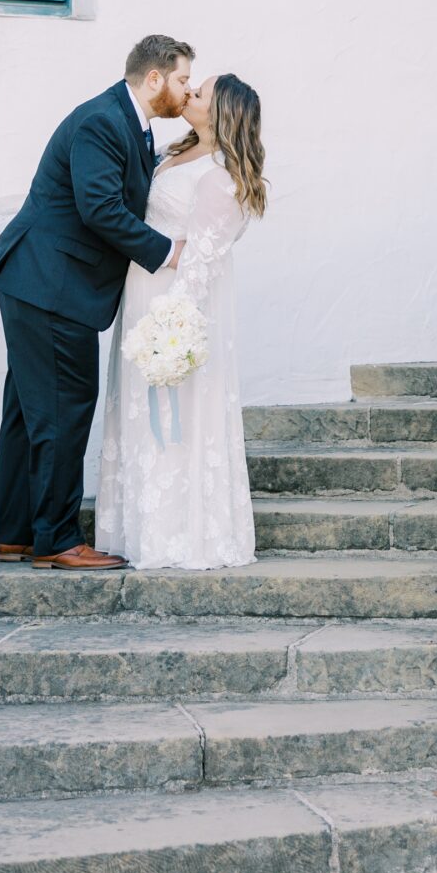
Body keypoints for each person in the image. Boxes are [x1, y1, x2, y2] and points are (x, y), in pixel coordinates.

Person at [0, 35, 195, 569]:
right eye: (182, 80)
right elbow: (99, 207)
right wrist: (167, 252)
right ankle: (56, 539)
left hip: (37, 279)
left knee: (29, 411)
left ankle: (19, 533)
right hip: (51, 283)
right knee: (63, 408)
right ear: (155, 79)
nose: (186, 90)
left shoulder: (127, 123)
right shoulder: (104, 120)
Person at [97, 73, 267, 569]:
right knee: (136, 409)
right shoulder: (174, 152)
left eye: (201, 93)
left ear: (221, 113)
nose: (190, 94)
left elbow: (202, 261)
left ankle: (179, 532)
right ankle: (140, 528)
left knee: (175, 411)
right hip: (142, 291)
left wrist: (172, 329)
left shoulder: (220, 176)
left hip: (172, 306)